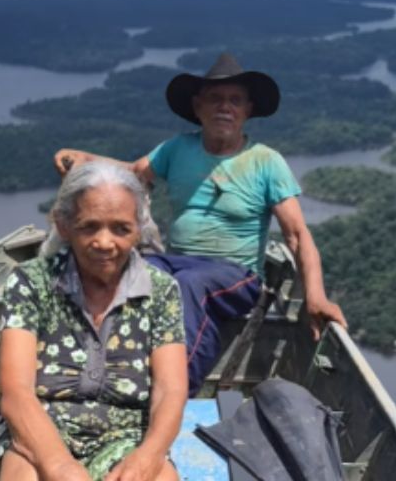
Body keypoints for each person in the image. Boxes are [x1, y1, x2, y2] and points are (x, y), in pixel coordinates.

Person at [53, 53, 346, 395]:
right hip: (177, 261)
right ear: (198, 107)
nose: (225, 108)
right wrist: (86, 159)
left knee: (188, 285)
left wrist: (316, 297)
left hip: (236, 274)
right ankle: (87, 370)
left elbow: (297, 236)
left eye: (235, 101)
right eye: (215, 99)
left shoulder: (266, 162)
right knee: (118, 268)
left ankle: (175, 392)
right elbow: (134, 173)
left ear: (248, 110)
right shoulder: (178, 148)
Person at [0, 162, 187, 481]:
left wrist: (146, 458)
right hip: (39, 428)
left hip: (128, 433)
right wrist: (60, 466)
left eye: (121, 229)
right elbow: (16, 391)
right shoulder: (30, 281)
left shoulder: (162, 291)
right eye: (89, 227)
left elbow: (170, 390)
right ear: (64, 225)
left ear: (139, 228)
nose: (105, 243)